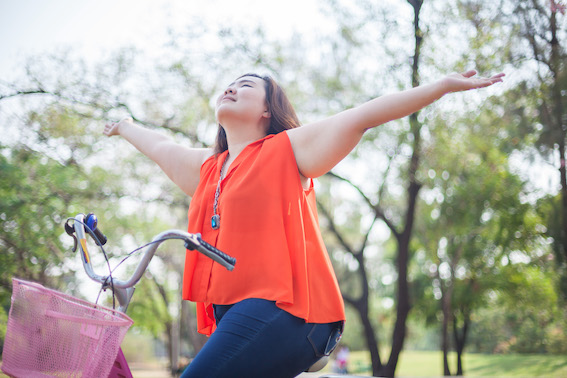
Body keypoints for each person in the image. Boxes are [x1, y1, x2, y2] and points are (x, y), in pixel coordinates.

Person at [103, 69, 504, 377]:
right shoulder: (208, 169)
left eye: (244, 85)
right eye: (228, 84)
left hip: (289, 310)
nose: (231, 88)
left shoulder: (287, 150)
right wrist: (124, 126)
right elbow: (161, 147)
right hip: (233, 312)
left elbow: (363, 115)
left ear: (266, 110)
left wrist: (441, 86)